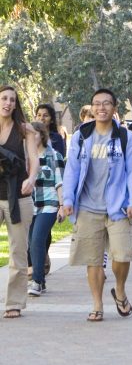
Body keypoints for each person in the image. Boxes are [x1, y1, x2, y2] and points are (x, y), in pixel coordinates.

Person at [63, 88, 132, 322]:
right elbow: (72, 170)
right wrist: (67, 199)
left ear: (114, 109)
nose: (101, 107)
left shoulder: (127, 138)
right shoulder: (81, 136)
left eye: (107, 103)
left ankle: (119, 288)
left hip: (118, 208)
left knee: (122, 256)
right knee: (93, 260)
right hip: (87, 207)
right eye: (97, 103)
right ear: (92, 107)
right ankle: (97, 304)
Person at [0, 85, 39, 318]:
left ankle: (13, 303)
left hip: (19, 197)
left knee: (17, 252)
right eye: (4, 98)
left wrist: (32, 179)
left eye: (12, 100)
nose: (8, 103)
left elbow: (34, 160)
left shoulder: (25, 130)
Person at [27, 122, 65, 297]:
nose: (30, 138)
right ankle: (40, 281)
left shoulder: (53, 155)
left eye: (34, 134)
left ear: (41, 135)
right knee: (31, 244)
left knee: (37, 240)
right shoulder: (25, 158)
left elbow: (60, 182)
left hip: (49, 204)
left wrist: (62, 206)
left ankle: (35, 281)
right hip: (30, 206)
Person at [34, 103, 66, 275]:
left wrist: (62, 205)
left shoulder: (55, 140)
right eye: (39, 115)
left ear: (51, 118)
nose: (41, 118)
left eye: (45, 115)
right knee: (33, 239)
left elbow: (59, 174)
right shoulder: (26, 151)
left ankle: (39, 273)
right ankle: (38, 266)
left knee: (40, 237)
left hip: (49, 199)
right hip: (31, 201)